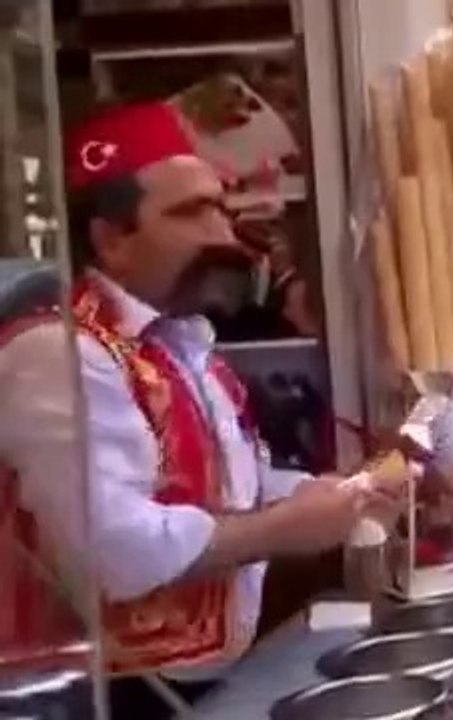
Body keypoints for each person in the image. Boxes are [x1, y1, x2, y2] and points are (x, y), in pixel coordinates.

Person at [0, 102, 406, 718]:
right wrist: (283, 530)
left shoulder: (181, 346)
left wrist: (346, 494)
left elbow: (240, 484)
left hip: (197, 684)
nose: (224, 235)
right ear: (112, 240)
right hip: (97, 701)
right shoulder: (58, 354)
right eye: (191, 212)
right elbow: (118, 551)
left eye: (221, 206)